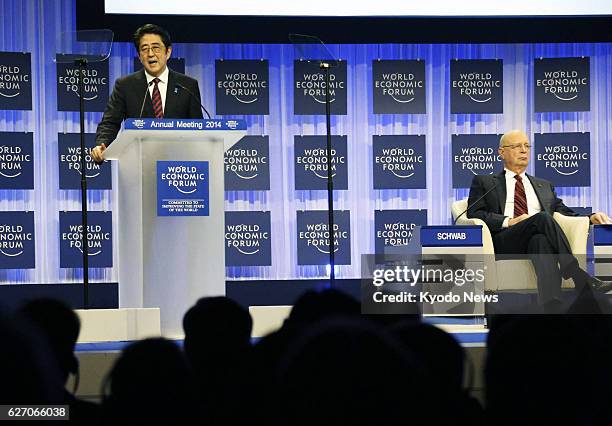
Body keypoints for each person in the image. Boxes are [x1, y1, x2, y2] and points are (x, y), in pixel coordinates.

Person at [467, 130, 612, 304]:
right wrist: (508, 221)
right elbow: (474, 213)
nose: (524, 150)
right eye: (516, 146)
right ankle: (576, 273)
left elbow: (562, 211)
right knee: (542, 218)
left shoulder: (543, 185)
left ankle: (551, 309)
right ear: (502, 152)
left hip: (534, 237)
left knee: (540, 241)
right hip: (505, 240)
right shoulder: (485, 182)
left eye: (527, 146)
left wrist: (590, 217)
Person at [92, 24, 203, 162]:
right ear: (139, 56)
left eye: (156, 48)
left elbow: (198, 128)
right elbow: (110, 122)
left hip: (178, 165)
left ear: (168, 52)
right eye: (144, 49)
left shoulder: (187, 85)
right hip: (138, 162)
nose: (150, 54)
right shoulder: (125, 85)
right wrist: (102, 144)